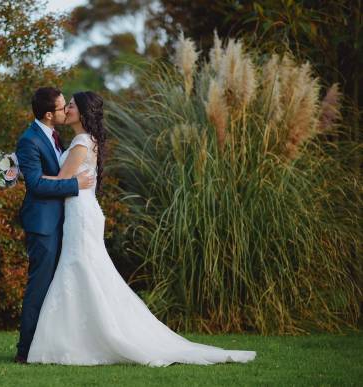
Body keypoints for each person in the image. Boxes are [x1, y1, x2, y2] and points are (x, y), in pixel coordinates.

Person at [25, 91, 257, 367]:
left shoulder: (80, 142)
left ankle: (88, 339)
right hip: (82, 211)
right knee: (88, 271)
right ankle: (83, 337)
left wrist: (26, 177)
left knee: (81, 269)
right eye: (66, 106)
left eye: (71, 106)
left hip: (81, 213)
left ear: (84, 113)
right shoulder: (83, 141)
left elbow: (60, 181)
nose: (67, 110)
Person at [14, 87, 95, 363]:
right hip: (43, 225)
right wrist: (75, 184)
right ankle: (25, 351)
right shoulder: (30, 140)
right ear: (49, 115)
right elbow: (35, 184)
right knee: (39, 287)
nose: (67, 110)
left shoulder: (56, 135)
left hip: (63, 222)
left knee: (58, 287)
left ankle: (50, 346)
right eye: (62, 107)